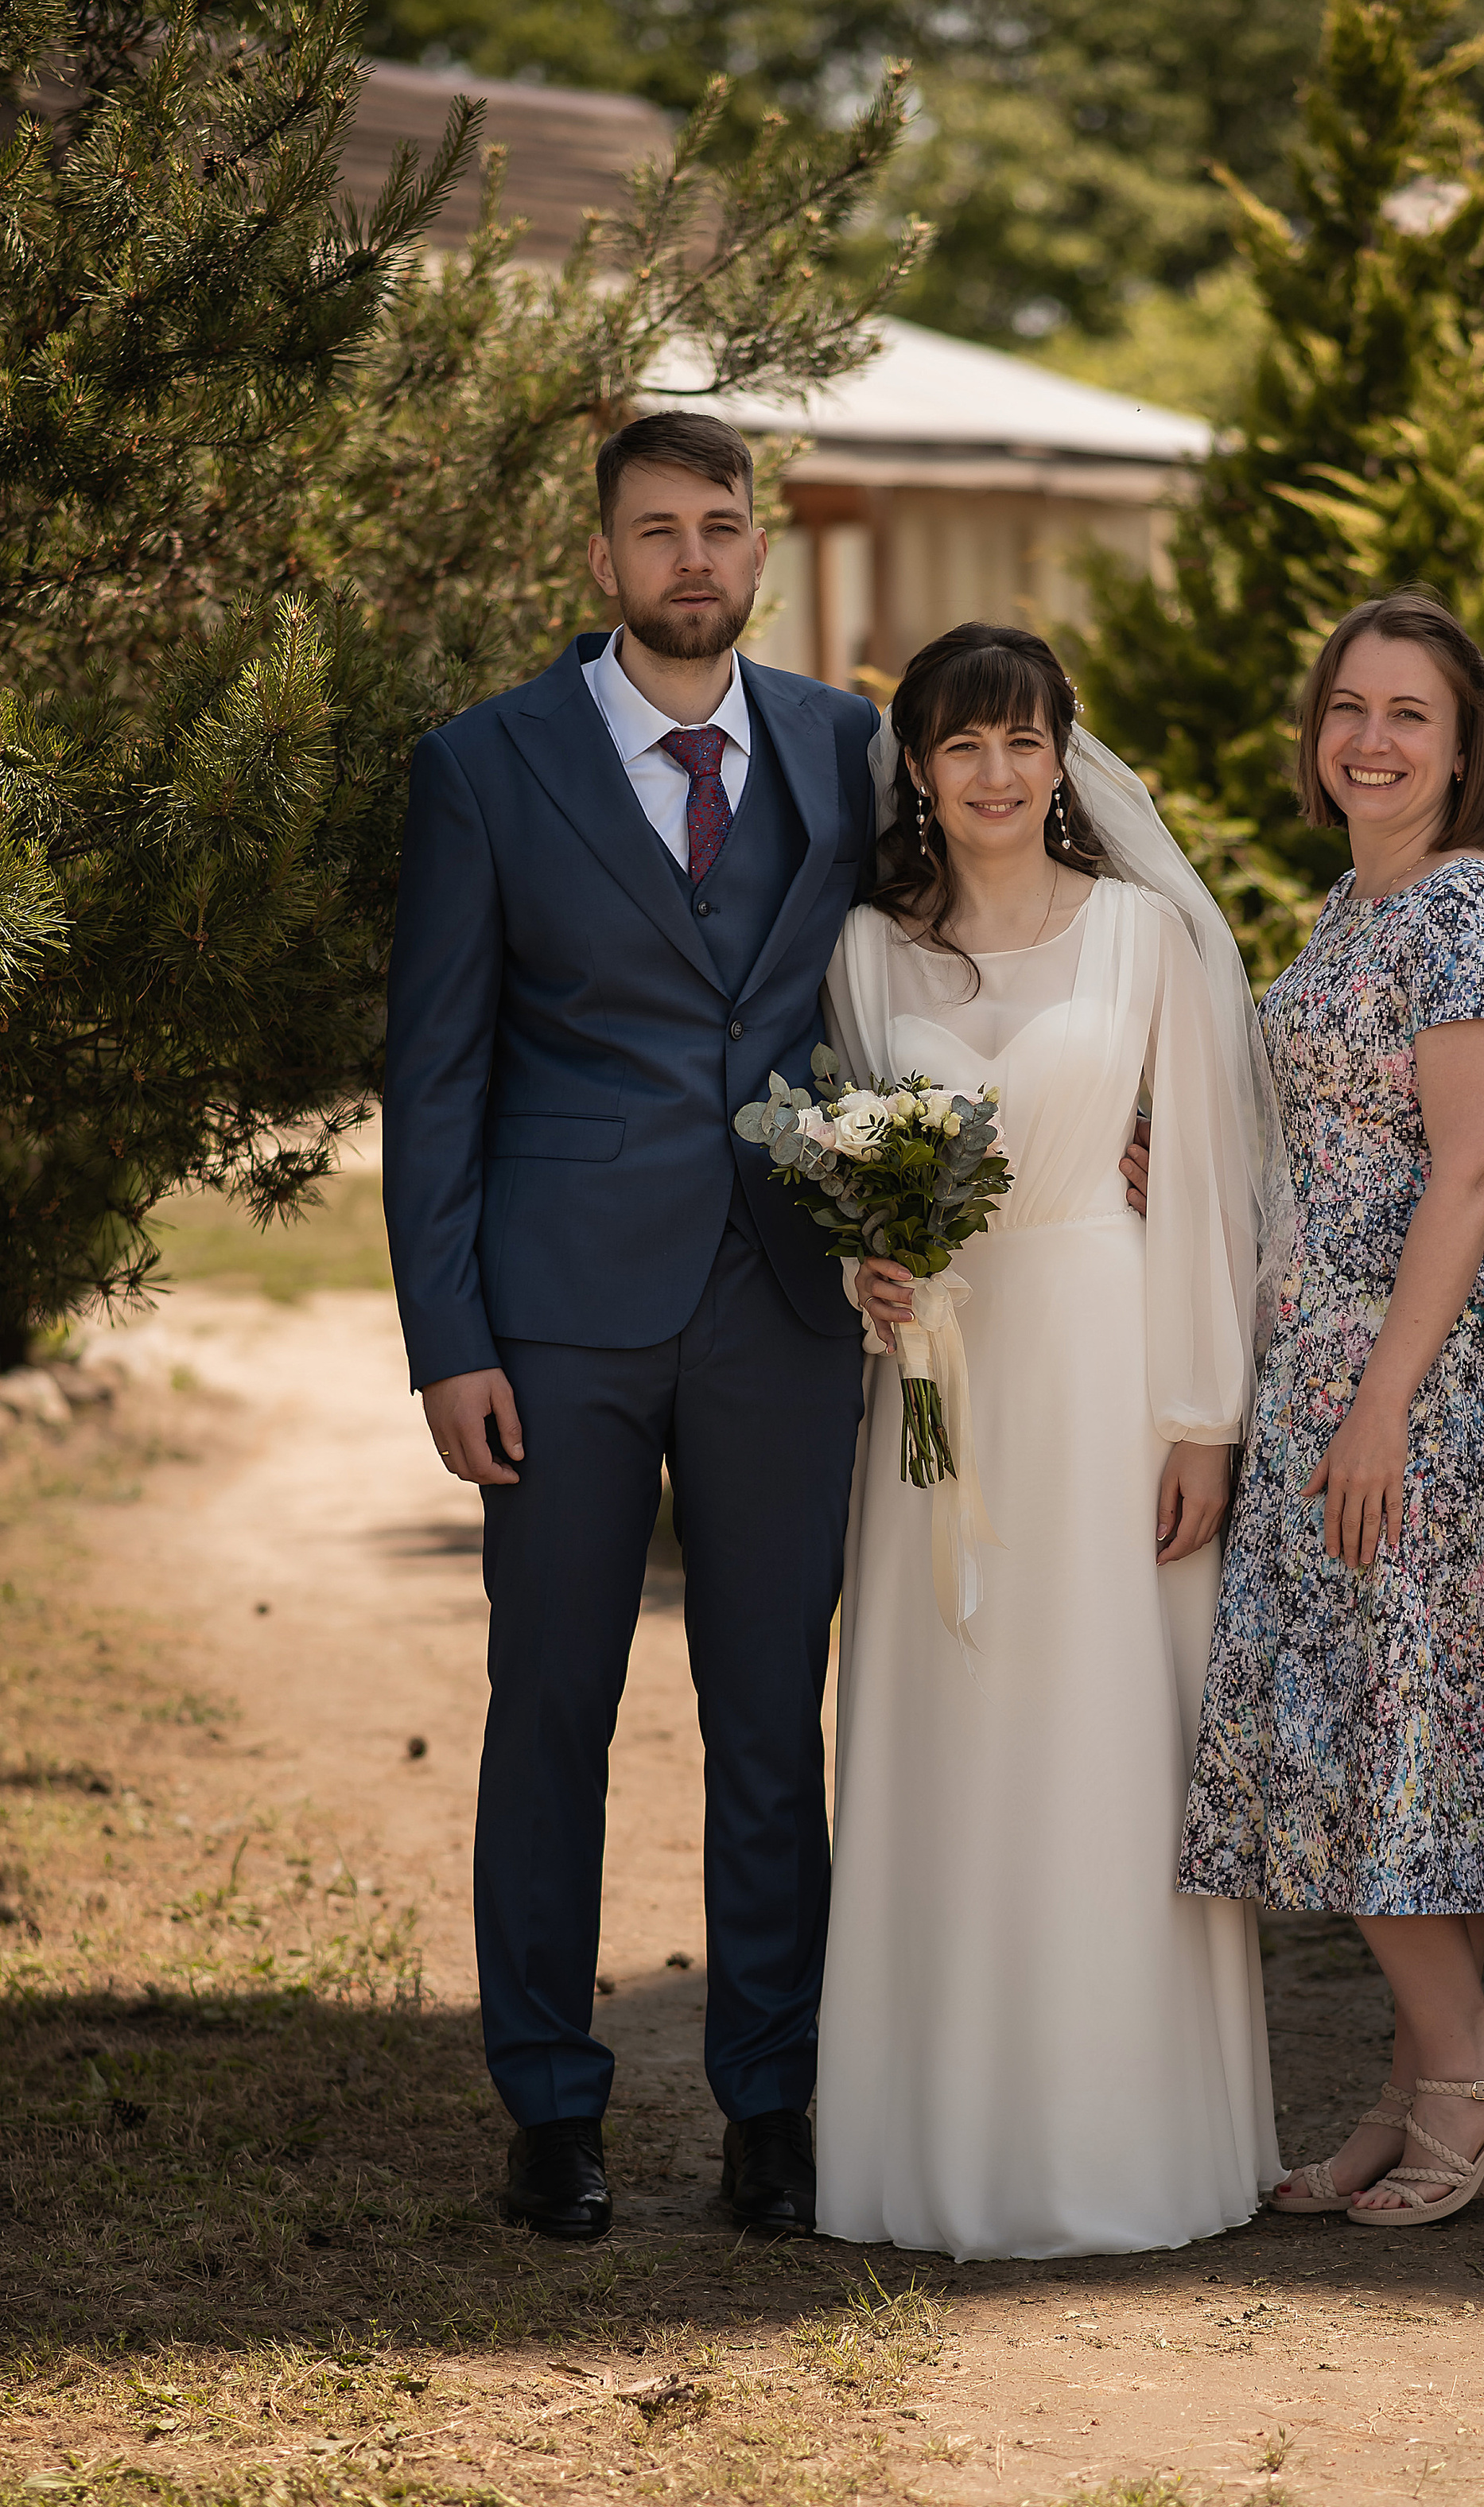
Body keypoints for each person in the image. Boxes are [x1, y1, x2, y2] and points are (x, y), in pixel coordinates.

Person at [382, 411, 879, 2245]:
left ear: (761, 549)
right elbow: (435, 1075)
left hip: (784, 1310)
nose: (692, 559)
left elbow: (962, 943)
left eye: (720, 527)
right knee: (551, 1714)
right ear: (599, 559)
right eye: (655, 530)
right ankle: (550, 2104)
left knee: (769, 1723)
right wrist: (450, 1339)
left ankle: (770, 2102)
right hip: (560, 1322)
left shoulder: (845, 744)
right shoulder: (484, 765)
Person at [815, 624, 1286, 2260]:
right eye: (960, 748)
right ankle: (936, 2151)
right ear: (918, 775)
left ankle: (1120, 2144)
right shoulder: (869, 954)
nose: (995, 776)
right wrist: (866, 1266)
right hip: (940, 1392)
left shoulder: (1145, 940)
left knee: (1104, 1746)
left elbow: (1208, 1197)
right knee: (946, 1734)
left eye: (1022, 742)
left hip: (1103, 1368)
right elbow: (852, 1168)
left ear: (1062, 755)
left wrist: (1199, 1421)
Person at [1175, 588, 1484, 2230]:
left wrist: (1376, 1405)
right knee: (1393, 1741)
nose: (1368, 738)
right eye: (1346, 707)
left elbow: (1473, 1164)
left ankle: (1469, 2072)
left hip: (1412, 1386)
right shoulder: (1346, 913)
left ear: (1459, 743)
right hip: (1325, 1373)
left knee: (1371, 1743)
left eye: (1406, 714)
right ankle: (1424, 2076)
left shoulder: (1463, 905)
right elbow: (1321, 1135)